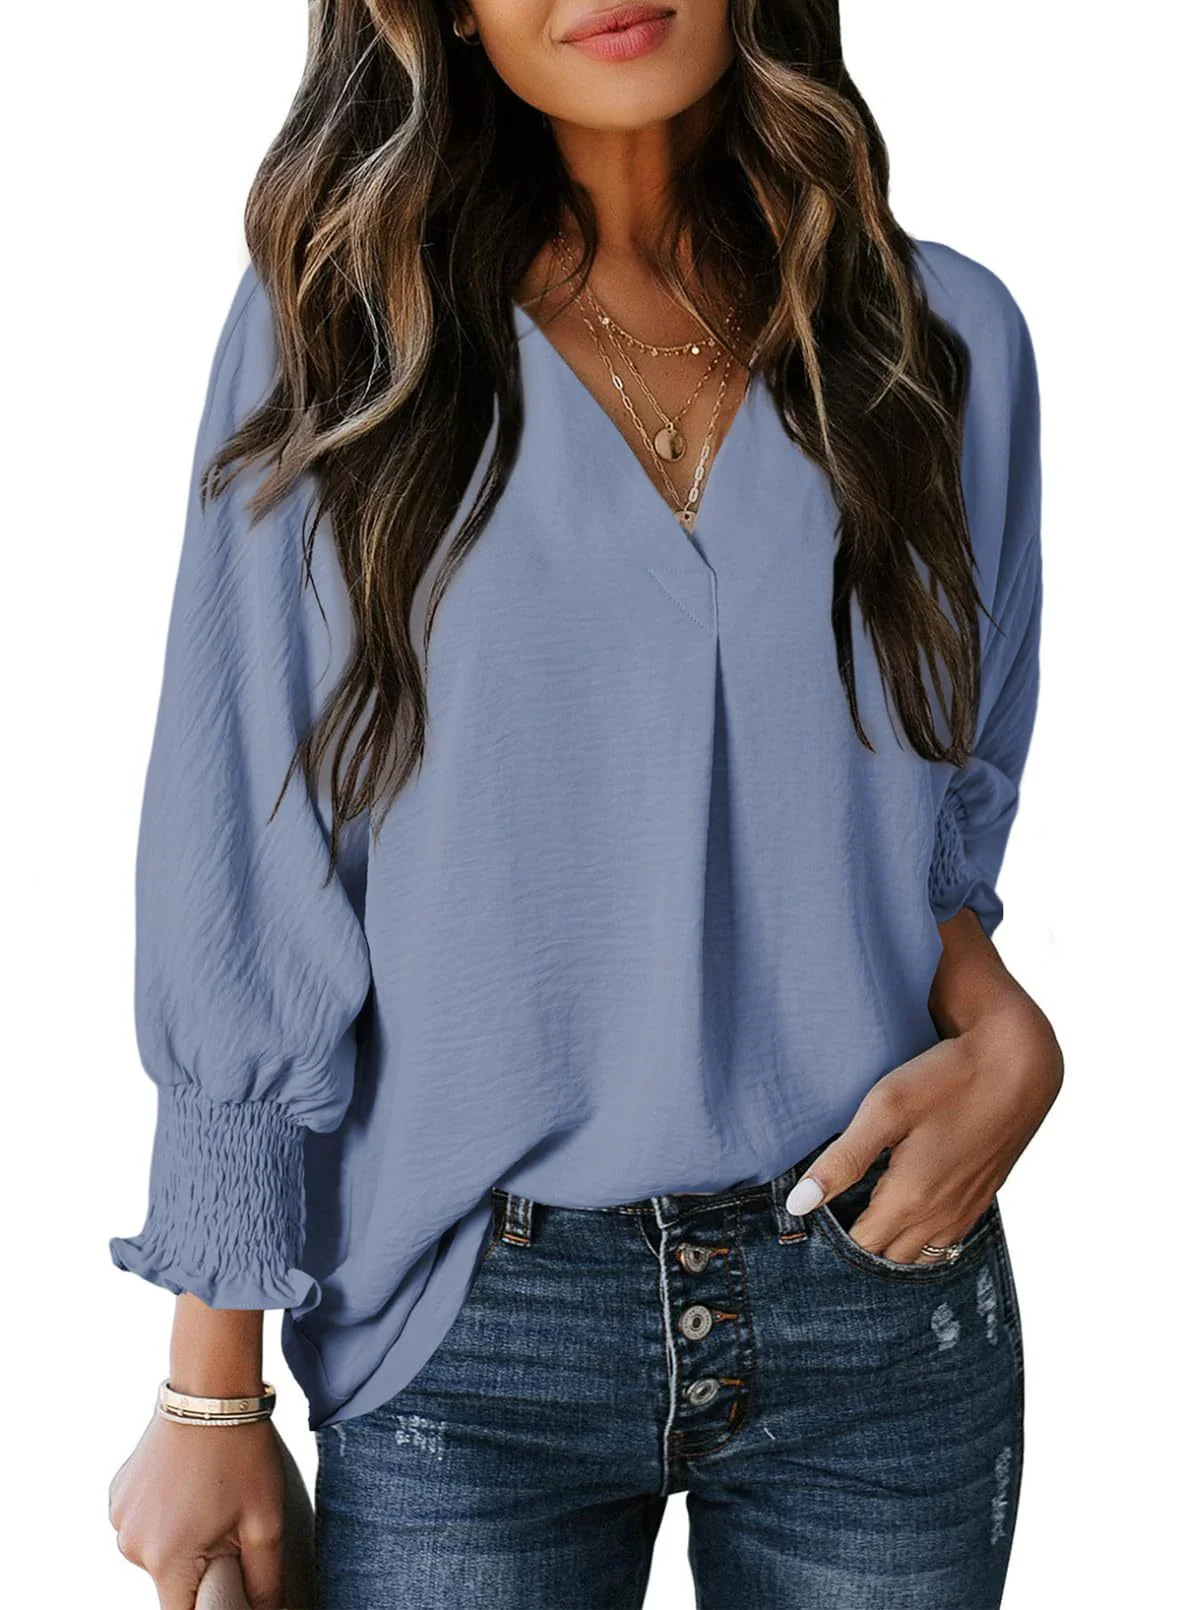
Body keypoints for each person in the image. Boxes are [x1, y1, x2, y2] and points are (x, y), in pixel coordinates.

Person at [107, 3, 1064, 1607]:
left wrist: (1010, 1031)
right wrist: (213, 1383)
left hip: (881, 1282)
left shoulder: (939, 339)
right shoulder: (341, 331)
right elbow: (249, 859)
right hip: (472, 1324)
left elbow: (928, 825)